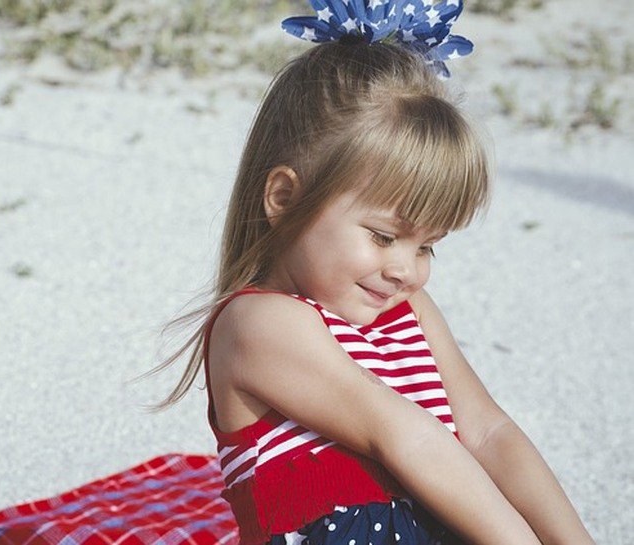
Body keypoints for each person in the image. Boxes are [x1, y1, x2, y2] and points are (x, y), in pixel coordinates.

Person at [149, 1, 597, 544]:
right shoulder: (257, 323)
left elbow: (487, 431)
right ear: (284, 198)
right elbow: (404, 436)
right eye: (384, 237)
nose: (406, 270)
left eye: (428, 246)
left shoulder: (407, 310)